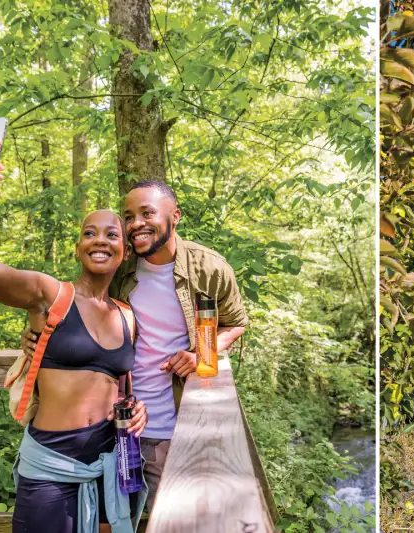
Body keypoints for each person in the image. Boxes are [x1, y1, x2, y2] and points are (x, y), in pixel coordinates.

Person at [0, 140, 149, 533]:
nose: (100, 239)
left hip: (109, 461)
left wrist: (136, 409)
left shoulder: (127, 315)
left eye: (112, 234)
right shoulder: (50, 295)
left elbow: (117, 386)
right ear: (78, 246)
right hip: (50, 466)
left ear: (124, 251)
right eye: (89, 232)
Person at [21, 179, 249, 514]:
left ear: (175, 215)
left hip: (174, 430)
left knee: (174, 519)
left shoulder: (209, 268)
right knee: (112, 520)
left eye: (146, 213)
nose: (136, 224)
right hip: (113, 431)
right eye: (128, 216)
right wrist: (35, 336)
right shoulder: (117, 265)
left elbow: (237, 323)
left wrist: (203, 352)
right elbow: (74, 310)